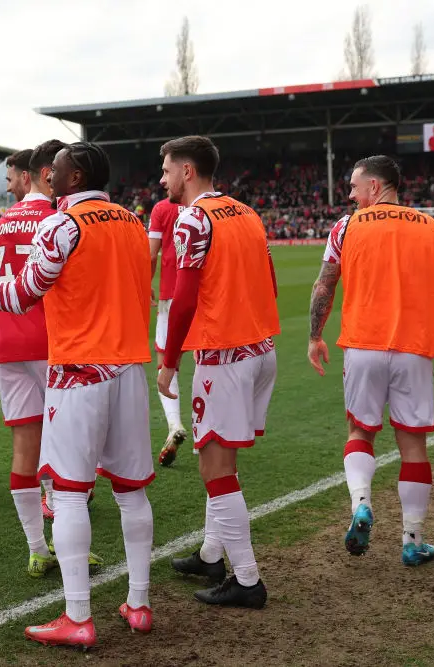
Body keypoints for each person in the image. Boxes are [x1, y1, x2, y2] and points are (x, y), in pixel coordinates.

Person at [0, 142, 155, 646]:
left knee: (69, 491)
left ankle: (78, 617)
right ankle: (139, 604)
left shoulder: (62, 225)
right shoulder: (132, 222)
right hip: (129, 368)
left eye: (58, 171)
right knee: (131, 490)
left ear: (75, 179)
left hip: (78, 370)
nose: (49, 177)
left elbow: (20, 294)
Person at [308, 155, 434, 567]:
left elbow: (324, 284)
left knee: (360, 431)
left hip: (362, 346)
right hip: (414, 350)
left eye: (354, 186)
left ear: (375, 186)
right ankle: (413, 541)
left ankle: (362, 504)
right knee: (413, 444)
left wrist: (314, 335)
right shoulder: (433, 227)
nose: (351, 194)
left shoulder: (346, 227)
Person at [156, 136, 279, 610]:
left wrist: (169, 361)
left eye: (167, 170)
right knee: (220, 455)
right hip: (260, 347)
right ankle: (211, 554)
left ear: (187, 171)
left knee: (215, 465)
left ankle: (246, 579)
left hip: (224, 355)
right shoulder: (246, 212)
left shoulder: (193, 218)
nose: (162, 179)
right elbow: (269, 282)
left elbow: (184, 299)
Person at [0, 142, 62, 576]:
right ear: (48, 173)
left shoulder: (4, 220)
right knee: (65, 445)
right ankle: (69, 541)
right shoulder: (58, 216)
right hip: (53, 339)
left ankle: (36, 548)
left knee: (24, 446)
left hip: (10, 341)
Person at [148, 197, 189, 466]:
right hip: (205, 293)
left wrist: (146, 283)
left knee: (166, 362)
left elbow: (151, 253)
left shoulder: (162, 209)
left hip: (171, 293)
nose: (163, 180)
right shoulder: (205, 205)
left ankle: (174, 424)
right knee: (206, 361)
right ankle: (205, 432)